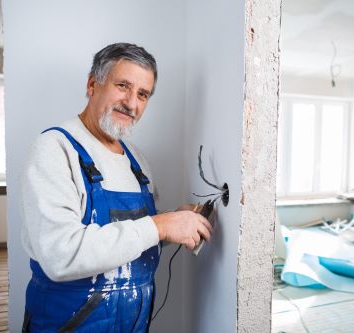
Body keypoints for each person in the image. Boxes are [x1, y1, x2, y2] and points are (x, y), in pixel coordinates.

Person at [20, 42, 213, 332]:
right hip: (67, 323)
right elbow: (61, 255)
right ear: (92, 84)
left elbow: (132, 234)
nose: (132, 104)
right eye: (123, 85)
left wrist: (173, 221)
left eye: (143, 94)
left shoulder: (137, 161)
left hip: (133, 323)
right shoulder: (55, 149)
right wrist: (160, 225)